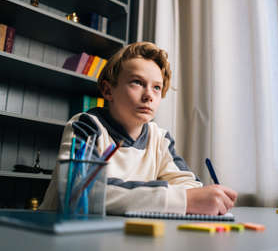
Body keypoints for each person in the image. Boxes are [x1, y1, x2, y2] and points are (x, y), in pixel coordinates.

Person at [40, 41, 237, 215]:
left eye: (157, 88)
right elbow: (82, 190)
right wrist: (180, 199)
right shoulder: (85, 126)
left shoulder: (159, 139)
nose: (149, 96)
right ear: (108, 90)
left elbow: (190, 187)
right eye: (137, 82)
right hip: (62, 236)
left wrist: (185, 196)